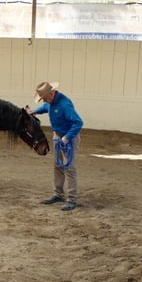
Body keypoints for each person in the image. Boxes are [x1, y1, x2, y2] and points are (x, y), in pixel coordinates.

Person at [28, 81, 84, 211]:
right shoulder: (51, 102)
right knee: (58, 165)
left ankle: (72, 199)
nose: (44, 101)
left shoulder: (64, 104)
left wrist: (66, 137)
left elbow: (78, 122)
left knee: (69, 167)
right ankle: (58, 194)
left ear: (52, 93)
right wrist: (35, 112)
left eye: (45, 98)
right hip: (58, 136)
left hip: (68, 138)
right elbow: (46, 108)